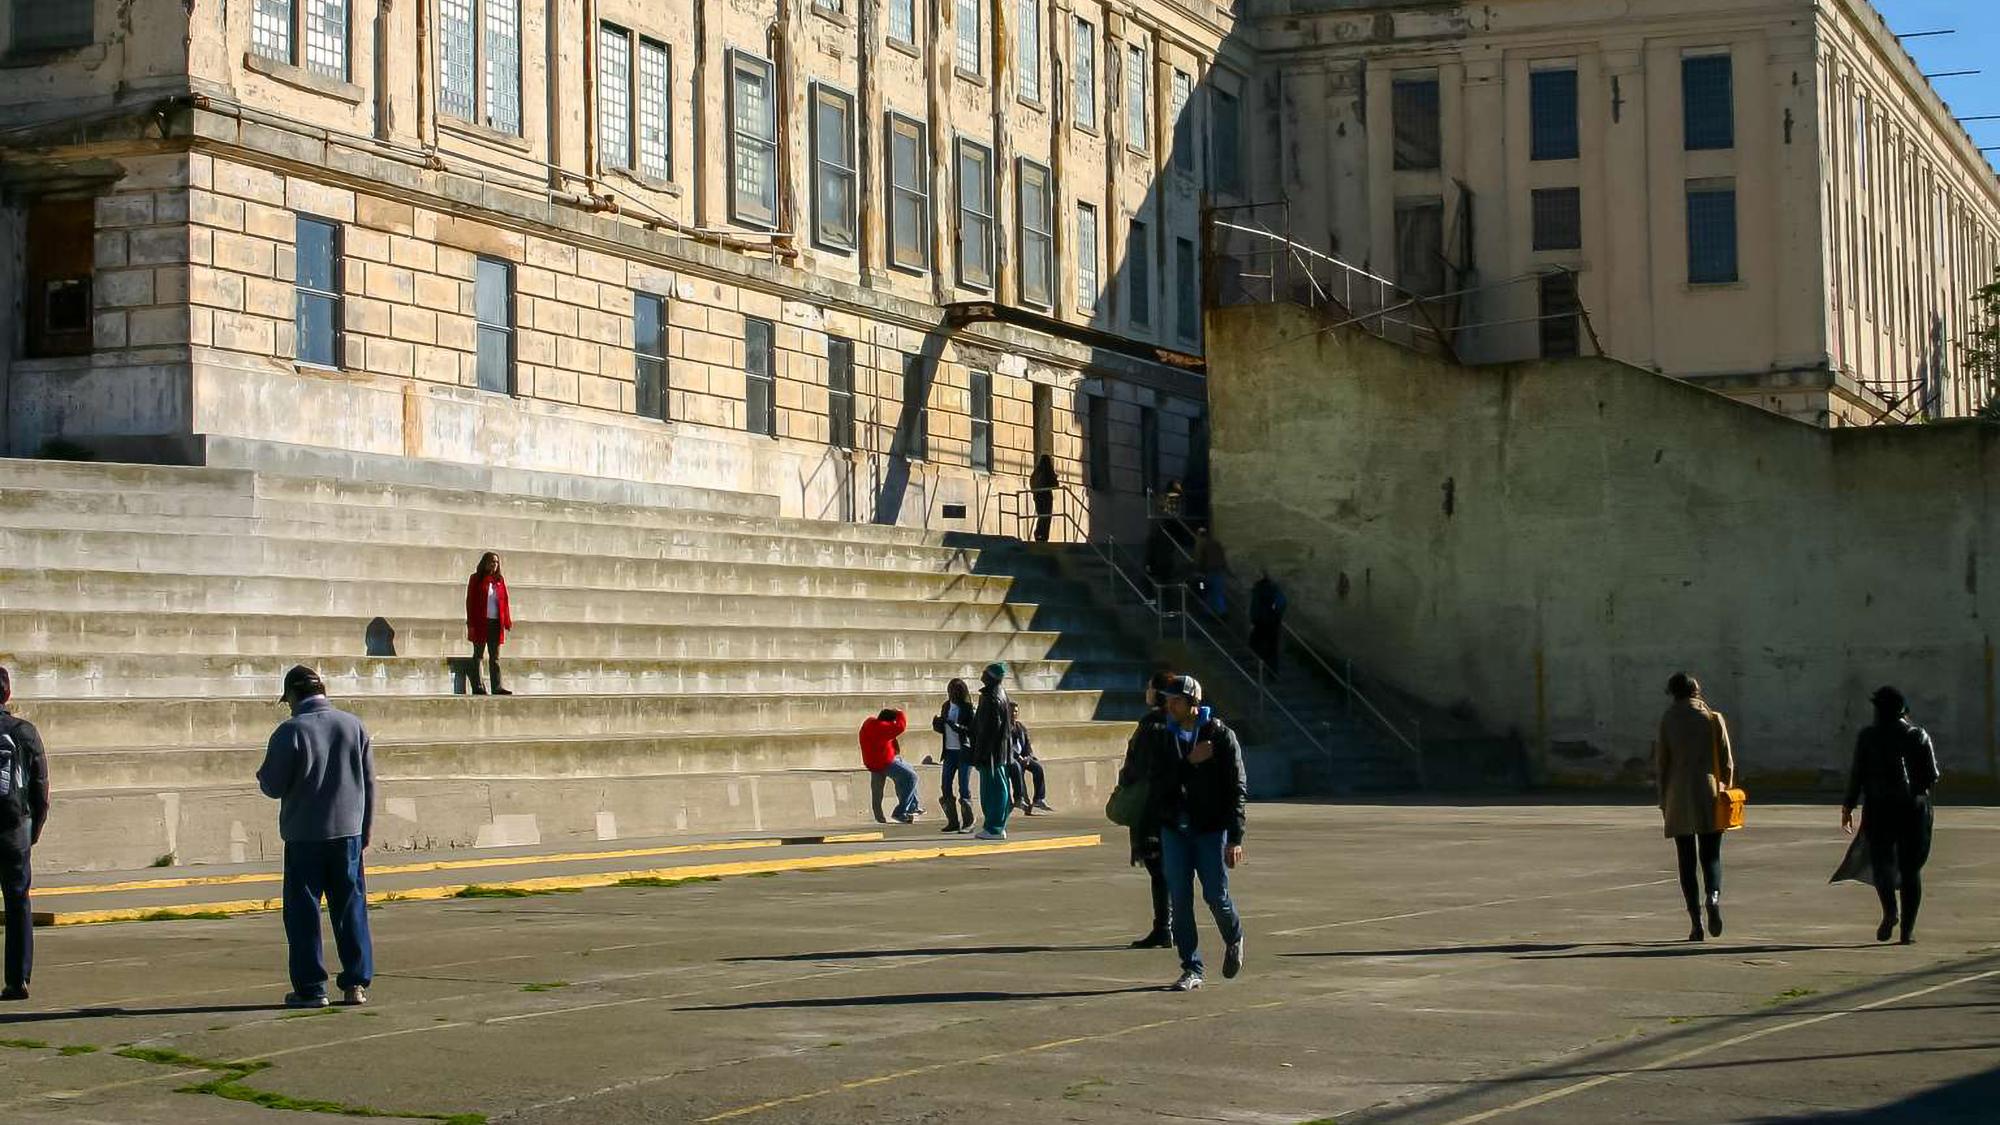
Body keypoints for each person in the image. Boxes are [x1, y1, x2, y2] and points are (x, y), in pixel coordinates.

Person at [257, 665, 376, 1009]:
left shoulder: (290, 730)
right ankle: (355, 983)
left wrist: (263, 776)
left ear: (293, 695)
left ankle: (311, 988)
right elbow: (369, 783)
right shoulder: (354, 726)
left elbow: (273, 785)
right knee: (351, 908)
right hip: (349, 832)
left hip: (305, 835)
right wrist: (365, 828)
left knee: (304, 912)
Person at [1143, 675, 1247, 992]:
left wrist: (1236, 837)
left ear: (1193, 703)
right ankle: (1192, 967)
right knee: (1181, 899)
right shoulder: (1163, 736)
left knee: (1215, 895)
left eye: (1176, 700)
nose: (1170, 706)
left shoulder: (1221, 736)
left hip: (1210, 829)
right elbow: (1159, 783)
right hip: (1175, 827)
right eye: (1168, 700)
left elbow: (1236, 789)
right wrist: (1189, 762)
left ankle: (1234, 936)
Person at [1837, 686, 1942, 945]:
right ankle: (1907, 931)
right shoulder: (1917, 735)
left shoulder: (1868, 737)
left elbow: (1857, 774)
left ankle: (1890, 911)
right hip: (1912, 809)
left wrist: (1848, 806)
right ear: (1903, 710)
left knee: (1882, 862)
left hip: (1878, 807)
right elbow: (1932, 774)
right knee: (1910, 869)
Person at [1653, 672, 1736, 942]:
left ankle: (1696, 923)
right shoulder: (1713, 718)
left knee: (1686, 861)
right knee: (1711, 855)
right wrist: (1725, 788)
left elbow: (1662, 764)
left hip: (1678, 795)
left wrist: (1663, 799)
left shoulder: (1668, 720)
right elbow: (1727, 763)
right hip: (1709, 793)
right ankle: (1713, 896)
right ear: (1696, 690)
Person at [0, 667, 50, 1002]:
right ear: (7, 694)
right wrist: (35, 828)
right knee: (18, 903)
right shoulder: (24, 732)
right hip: (13, 828)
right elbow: (40, 787)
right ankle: (18, 979)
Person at [1122, 671, 1176, 950]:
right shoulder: (1179, 723)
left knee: (1158, 869)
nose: (1146, 692)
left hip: (1152, 805)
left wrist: (1125, 780)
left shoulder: (1152, 725)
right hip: (1175, 804)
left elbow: (1137, 765)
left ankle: (1163, 927)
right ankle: (1173, 926)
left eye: (1149, 687)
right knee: (1171, 869)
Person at [970, 664, 1014, 841]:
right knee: (996, 789)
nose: (982, 676)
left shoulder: (992, 698)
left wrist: (982, 753)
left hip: (992, 754)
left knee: (993, 791)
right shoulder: (997, 694)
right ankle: (996, 826)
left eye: (985, 673)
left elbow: (990, 730)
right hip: (995, 752)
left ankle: (994, 827)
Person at [860, 708, 923, 824]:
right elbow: (900, 727)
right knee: (912, 777)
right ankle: (901, 811)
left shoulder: (870, 723)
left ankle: (884, 817)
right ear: (888, 722)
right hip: (885, 762)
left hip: (875, 762)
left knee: (878, 791)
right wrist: (900, 713)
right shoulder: (882, 727)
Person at [465, 552, 514, 696]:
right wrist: (471, 623)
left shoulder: (499, 580)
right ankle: (478, 686)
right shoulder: (476, 579)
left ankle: (497, 686)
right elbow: (470, 602)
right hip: (481, 622)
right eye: (492, 561)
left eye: (496, 562)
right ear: (485, 563)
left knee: (495, 657)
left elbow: (504, 601)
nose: (494, 564)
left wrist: (507, 621)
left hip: (495, 622)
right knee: (478, 655)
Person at [931, 679, 975, 833]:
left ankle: (968, 822)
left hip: (964, 751)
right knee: (945, 786)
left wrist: (955, 726)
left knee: (963, 787)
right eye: (950, 690)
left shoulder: (968, 707)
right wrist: (938, 724)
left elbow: (971, 730)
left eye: (956, 691)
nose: (952, 693)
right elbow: (943, 729)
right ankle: (953, 821)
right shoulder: (946, 706)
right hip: (949, 751)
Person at [1006, 700, 1054, 815]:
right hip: (1011, 759)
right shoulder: (1004, 728)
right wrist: (1018, 758)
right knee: (1018, 768)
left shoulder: (1021, 727)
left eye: (1016, 712)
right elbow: (1006, 746)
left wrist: (1028, 756)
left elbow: (1027, 745)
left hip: (1024, 758)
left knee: (1038, 768)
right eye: (1011, 712)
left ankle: (1039, 799)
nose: (1014, 714)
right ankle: (1020, 799)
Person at [1249, 572, 1288, 671]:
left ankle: (1261, 667)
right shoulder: (1275, 589)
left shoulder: (1258, 590)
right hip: (1274, 623)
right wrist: (1277, 614)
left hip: (1260, 623)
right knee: (1272, 648)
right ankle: (1272, 671)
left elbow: (1255, 607)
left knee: (1256, 644)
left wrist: (1253, 621)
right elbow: (1282, 603)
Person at [1192, 527, 1230, 616]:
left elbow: (1200, 559)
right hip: (1219, 570)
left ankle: (1210, 612)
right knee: (1217, 592)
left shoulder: (1202, 544)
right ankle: (1221, 612)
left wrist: (1198, 571)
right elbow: (1222, 557)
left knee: (1207, 591)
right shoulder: (1216, 543)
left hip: (1208, 572)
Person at [1030, 454, 1059, 543]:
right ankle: (1043, 536)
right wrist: (1055, 478)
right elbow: (1054, 484)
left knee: (1041, 516)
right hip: (1045, 496)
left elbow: (1032, 483)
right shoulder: (1047, 470)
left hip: (1037, 496)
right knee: (1046, 516)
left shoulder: (1036, 472)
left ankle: (1038, 534)